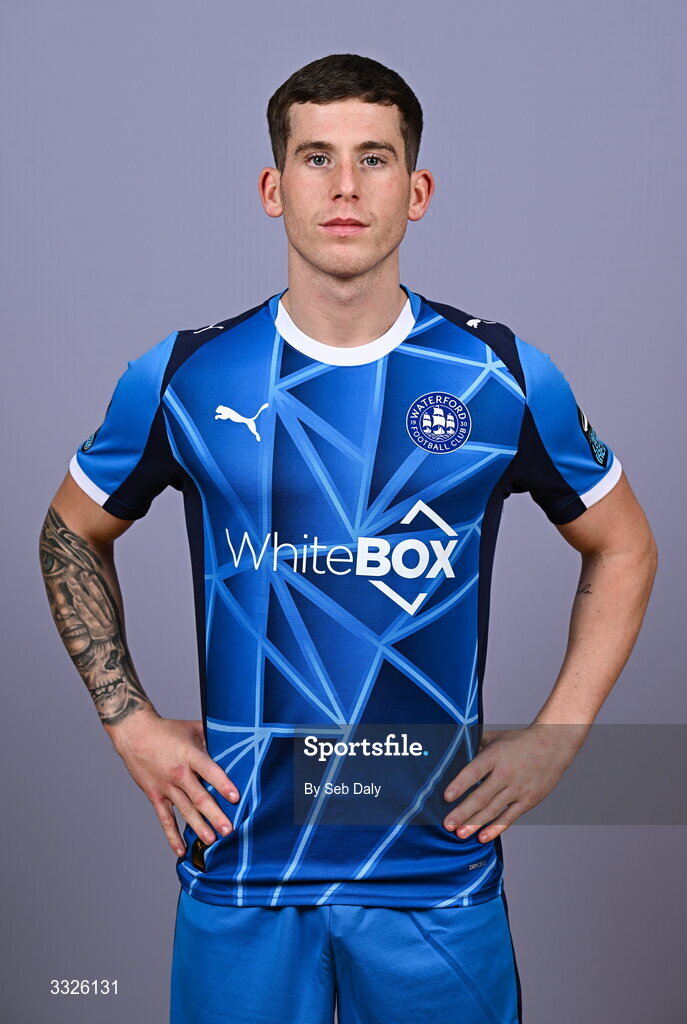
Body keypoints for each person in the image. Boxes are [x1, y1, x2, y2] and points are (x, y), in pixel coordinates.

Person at [39, 52, 657, 1024]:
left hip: (435, 878)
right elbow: (71, 533)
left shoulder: (498, 375)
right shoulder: (184, 376)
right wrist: (129, 723)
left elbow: (623, 545)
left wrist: (559, 737)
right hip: (243, 871)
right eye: (316, 157)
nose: (343, 186)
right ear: (272, 187)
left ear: (417, 191)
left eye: (373, 158)